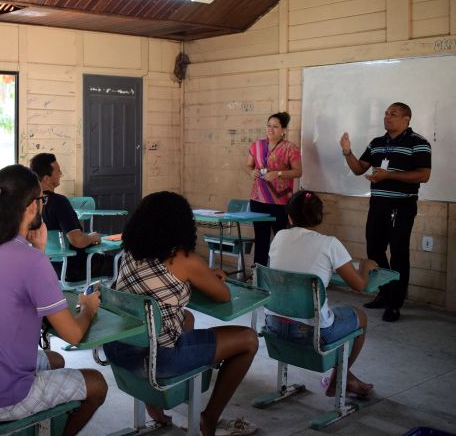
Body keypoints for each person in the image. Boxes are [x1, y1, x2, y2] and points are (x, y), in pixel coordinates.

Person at [0, 164, 107, 435]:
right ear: (33, 206)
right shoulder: (31, 261)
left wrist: (39, 249)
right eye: (41, 200)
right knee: (97, 383)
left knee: (55, 360)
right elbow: (73, 335)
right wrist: (89, 309)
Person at [103, 191, 259, 436]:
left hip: (117, 349)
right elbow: (223, 296)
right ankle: (209, 418)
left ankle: (153, 401)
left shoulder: (129, 254)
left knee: (187, 318)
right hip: (157, 358)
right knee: (249, 339)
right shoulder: (183, 259)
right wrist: (209, 277)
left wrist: (202, 275)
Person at [266, 190, 378, 399]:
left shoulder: (279, 237)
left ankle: (346, 377)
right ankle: (338, 380)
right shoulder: (329, 244)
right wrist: (365, 265)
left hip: (274, 325)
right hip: (312, 333)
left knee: (328, 313)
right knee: (359, 317)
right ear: (319, 217)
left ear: (289, 217)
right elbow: (360, 285)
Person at [340, 102, 431, 322]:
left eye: (393, 114)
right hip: (378, 205)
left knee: (399, 253)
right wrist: (347, 152)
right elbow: (358, 168)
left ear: (406, 119)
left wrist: (388, 176)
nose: (387, 117)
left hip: (402, 206)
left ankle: (395, 303)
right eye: (386, 113)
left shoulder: (418, 143)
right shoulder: (377, 143)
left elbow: (423, 175)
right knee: (374, 251)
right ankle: (384, 292)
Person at [29, 153, 111, 282]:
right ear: (46, 179)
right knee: (119, 262)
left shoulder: (29, 204)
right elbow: (77, 241)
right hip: (73, 268)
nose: (61, 173)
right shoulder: (59, 202)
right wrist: (91, 237)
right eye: (57, 171)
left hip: (46, 268)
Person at [245, 111, 302, 267]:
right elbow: (248, 165)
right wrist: (252, 171)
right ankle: (258, 273)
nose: (270, 129)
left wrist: (278, 173)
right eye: (269, 125)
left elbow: (298, 172)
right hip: (258, 199)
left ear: (283, 130)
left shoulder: (290, 148)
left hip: (280, 200)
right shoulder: (256, 145)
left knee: (280, 239)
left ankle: (280, 273)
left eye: (275, 126)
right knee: (261, 238)